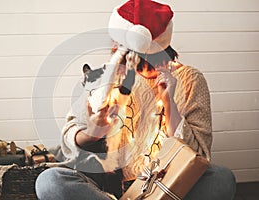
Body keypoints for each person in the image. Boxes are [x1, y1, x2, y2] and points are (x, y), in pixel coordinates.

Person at [35, 0, 236, 199]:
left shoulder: (190, 79)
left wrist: (170, 105)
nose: (114, 50)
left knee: (221, 179)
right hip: (108, 186)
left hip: (169, 184)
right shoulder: (108, 75)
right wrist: (92, 134)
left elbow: (200, 156)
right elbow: (70, 132)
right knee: (50, 181)